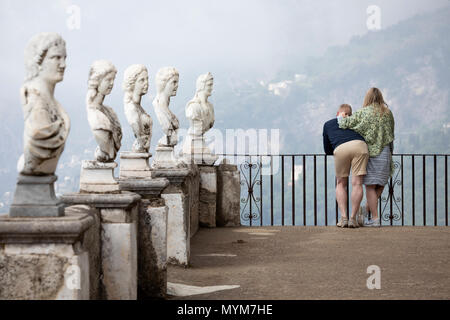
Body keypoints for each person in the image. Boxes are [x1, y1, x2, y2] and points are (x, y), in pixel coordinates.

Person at [338, 88, 395, 227]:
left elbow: (344, 124)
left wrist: (341, 116)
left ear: (367, 98)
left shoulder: (363, 112)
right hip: (385, 151)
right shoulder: (387, 113)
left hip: (370, 153)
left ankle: (374, 218)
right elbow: (391, 133)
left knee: (370, 186)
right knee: (380, 184)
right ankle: (366, 211)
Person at [323, 104, 369, 228]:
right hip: (360, 146)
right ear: (350, 114)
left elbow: (327, 148)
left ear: (338, 113)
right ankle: (353, 218)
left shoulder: (328, 124)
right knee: (357, 183)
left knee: (341, 183)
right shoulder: (354, 122)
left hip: (340, 148)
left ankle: (344, 218)